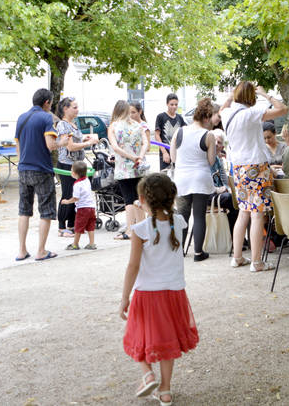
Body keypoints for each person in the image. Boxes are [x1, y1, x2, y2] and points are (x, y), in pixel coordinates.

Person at [120, 174, 198, 406]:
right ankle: (165, 391)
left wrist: (125, 296)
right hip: (174, 292)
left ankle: (147, 375)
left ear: (142, 199)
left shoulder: (140, 229)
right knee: (168, 343)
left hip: (147, 293)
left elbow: (133, 266)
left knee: (137, 336)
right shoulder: (180, 222)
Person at [221, 81, 289, 272]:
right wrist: (266, 95)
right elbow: (282, 109)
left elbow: (223, 107)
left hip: (238, 168)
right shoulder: (251, 113)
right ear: (251, 97)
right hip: (256, 167)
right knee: (257, 215)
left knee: (243, 212)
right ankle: (256, 261)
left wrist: (230, 97)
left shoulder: (226, 114)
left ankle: (237, 257)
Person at [15, 88, 59, 262]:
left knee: (24, 211)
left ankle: (22, 250)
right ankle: (41, 250)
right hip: (41, 169)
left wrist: (21, 164)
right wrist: (61, 142)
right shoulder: (46, 117)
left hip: (23, 169)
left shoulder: (21, 118)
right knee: (46, 211)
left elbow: (18, 146)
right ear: (47, 102)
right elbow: (50, 144)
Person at [171, 98, 216, 262]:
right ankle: (198, 253)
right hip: (200, 178)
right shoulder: (208, 135)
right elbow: (211, 161)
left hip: (181, 178)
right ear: (206, 117)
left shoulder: (179, 131)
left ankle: (180, 251)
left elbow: (173, 157)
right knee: (198, 216)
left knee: (182, 215)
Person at [55, 97, 97, 238]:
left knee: (77, 195)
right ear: (65, 109)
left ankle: (72, 224)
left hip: (78, 164)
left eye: (77, 107)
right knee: (67, 194)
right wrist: (88, 143)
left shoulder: (73, 124)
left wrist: (84, 138)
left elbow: (76, 139)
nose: (77, 110)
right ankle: (62, 226)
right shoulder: (63, 125)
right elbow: (70, 146)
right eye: (74, 107)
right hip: (67, 164)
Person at [108, 100, 148, 240]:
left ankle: (130, 230)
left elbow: (115, 147)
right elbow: (145, 143)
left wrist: (131, 157)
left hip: (123, 168)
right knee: (139, 198)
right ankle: (143, 229)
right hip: (139, 167)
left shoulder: (114, 126)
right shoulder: (137, 125)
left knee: (129, 200)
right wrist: (139, 157)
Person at [59, 161, 97, 250]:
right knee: (90, 226)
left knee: (78, 227)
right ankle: (92, 243)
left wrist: (67, 201)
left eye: (71, 170)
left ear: (74, 173)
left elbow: (76, 198)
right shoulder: (87, 179)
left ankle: (75, 244)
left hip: (82, 209)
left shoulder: (77, 184)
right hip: (91, 207)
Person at [210, 129, 239, 234]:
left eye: (219, 142)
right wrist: (220, 190)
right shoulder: (205, 158)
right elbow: (205, 184)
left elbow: (224, 180)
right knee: (231, 199)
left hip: (219, 193)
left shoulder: (218, 160)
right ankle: (232, 236)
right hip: (208, 194)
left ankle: (235, 235)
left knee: (237, 198)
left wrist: (228, 188)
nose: (217, 145)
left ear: (222, 147)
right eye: (215, 141)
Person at [154, 94, 186, 173]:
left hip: (178, 154)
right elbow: (157, 135)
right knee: (165, 179)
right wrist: (164, 152)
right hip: (165, 153)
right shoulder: (161, 117)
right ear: (167, 104)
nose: (174, 107)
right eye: (172, 104)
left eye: (176, 104)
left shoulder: (180, 118)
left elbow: (185, 132)